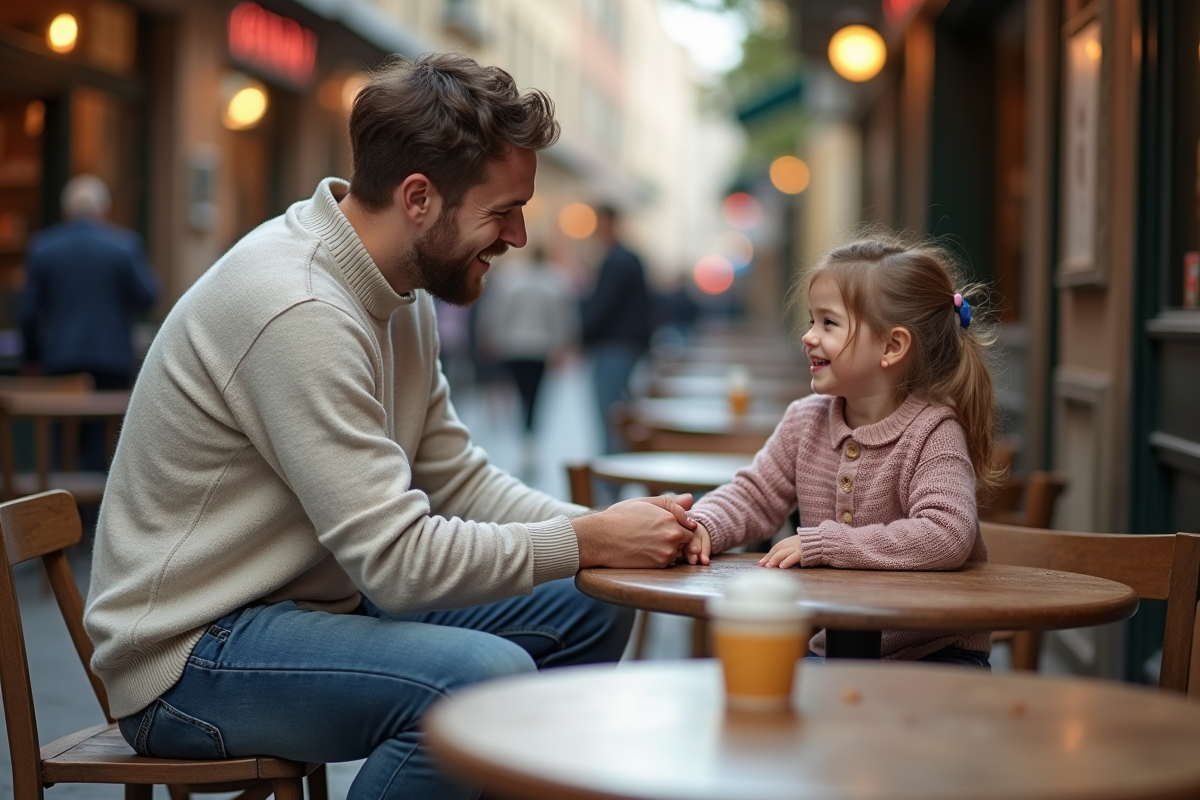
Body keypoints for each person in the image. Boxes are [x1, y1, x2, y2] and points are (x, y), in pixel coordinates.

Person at [82, 53, 696, 800]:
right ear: (418, 198)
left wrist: (611, 535)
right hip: (191, 656)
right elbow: (399, 564)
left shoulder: (399, 293)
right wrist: (588, 539)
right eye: (502, 211)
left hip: (310, 604)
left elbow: (458, 478)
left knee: (594, 596)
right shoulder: (300, 308)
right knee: (477, 681)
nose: (521, 238)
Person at [681, 235, 1003, 668]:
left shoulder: (932, 432)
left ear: (891, 347)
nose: (809, 336)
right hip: (837, 652)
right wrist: (703, 524)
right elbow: (755, 494)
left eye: (828, 324)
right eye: (812, 321)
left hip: (933, 653)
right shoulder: (806, 420)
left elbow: (946, 534)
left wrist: (829, 544)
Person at [20, 174, 160, 390]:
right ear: (104, 209)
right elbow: (149, 296)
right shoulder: (124, 246)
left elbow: (28, 314)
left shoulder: (43, 248)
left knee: (63, 422)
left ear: (65, 211)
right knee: (109, 423)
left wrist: (31, 358)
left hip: (61, 358)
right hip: (112, 358)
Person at [477, 246, 577, 474]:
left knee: (520, 392)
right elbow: (562, 317)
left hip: (513, 345)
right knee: (535, 395)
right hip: (541, 347)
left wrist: (490, 336)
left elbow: (497, 311)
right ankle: (530, 438)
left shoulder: (512, 279)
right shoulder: (555, 281)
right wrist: (563, 344)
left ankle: (525, 437)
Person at [579, 205, 652, 453]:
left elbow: (602, 307)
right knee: (616, 411)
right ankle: (613, 473)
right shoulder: (630, 258)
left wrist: (581, 334)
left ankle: (610, 478)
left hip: (614, 346)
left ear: (608, 223)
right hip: (627, 345)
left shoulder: (615, 261)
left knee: (610, 413)